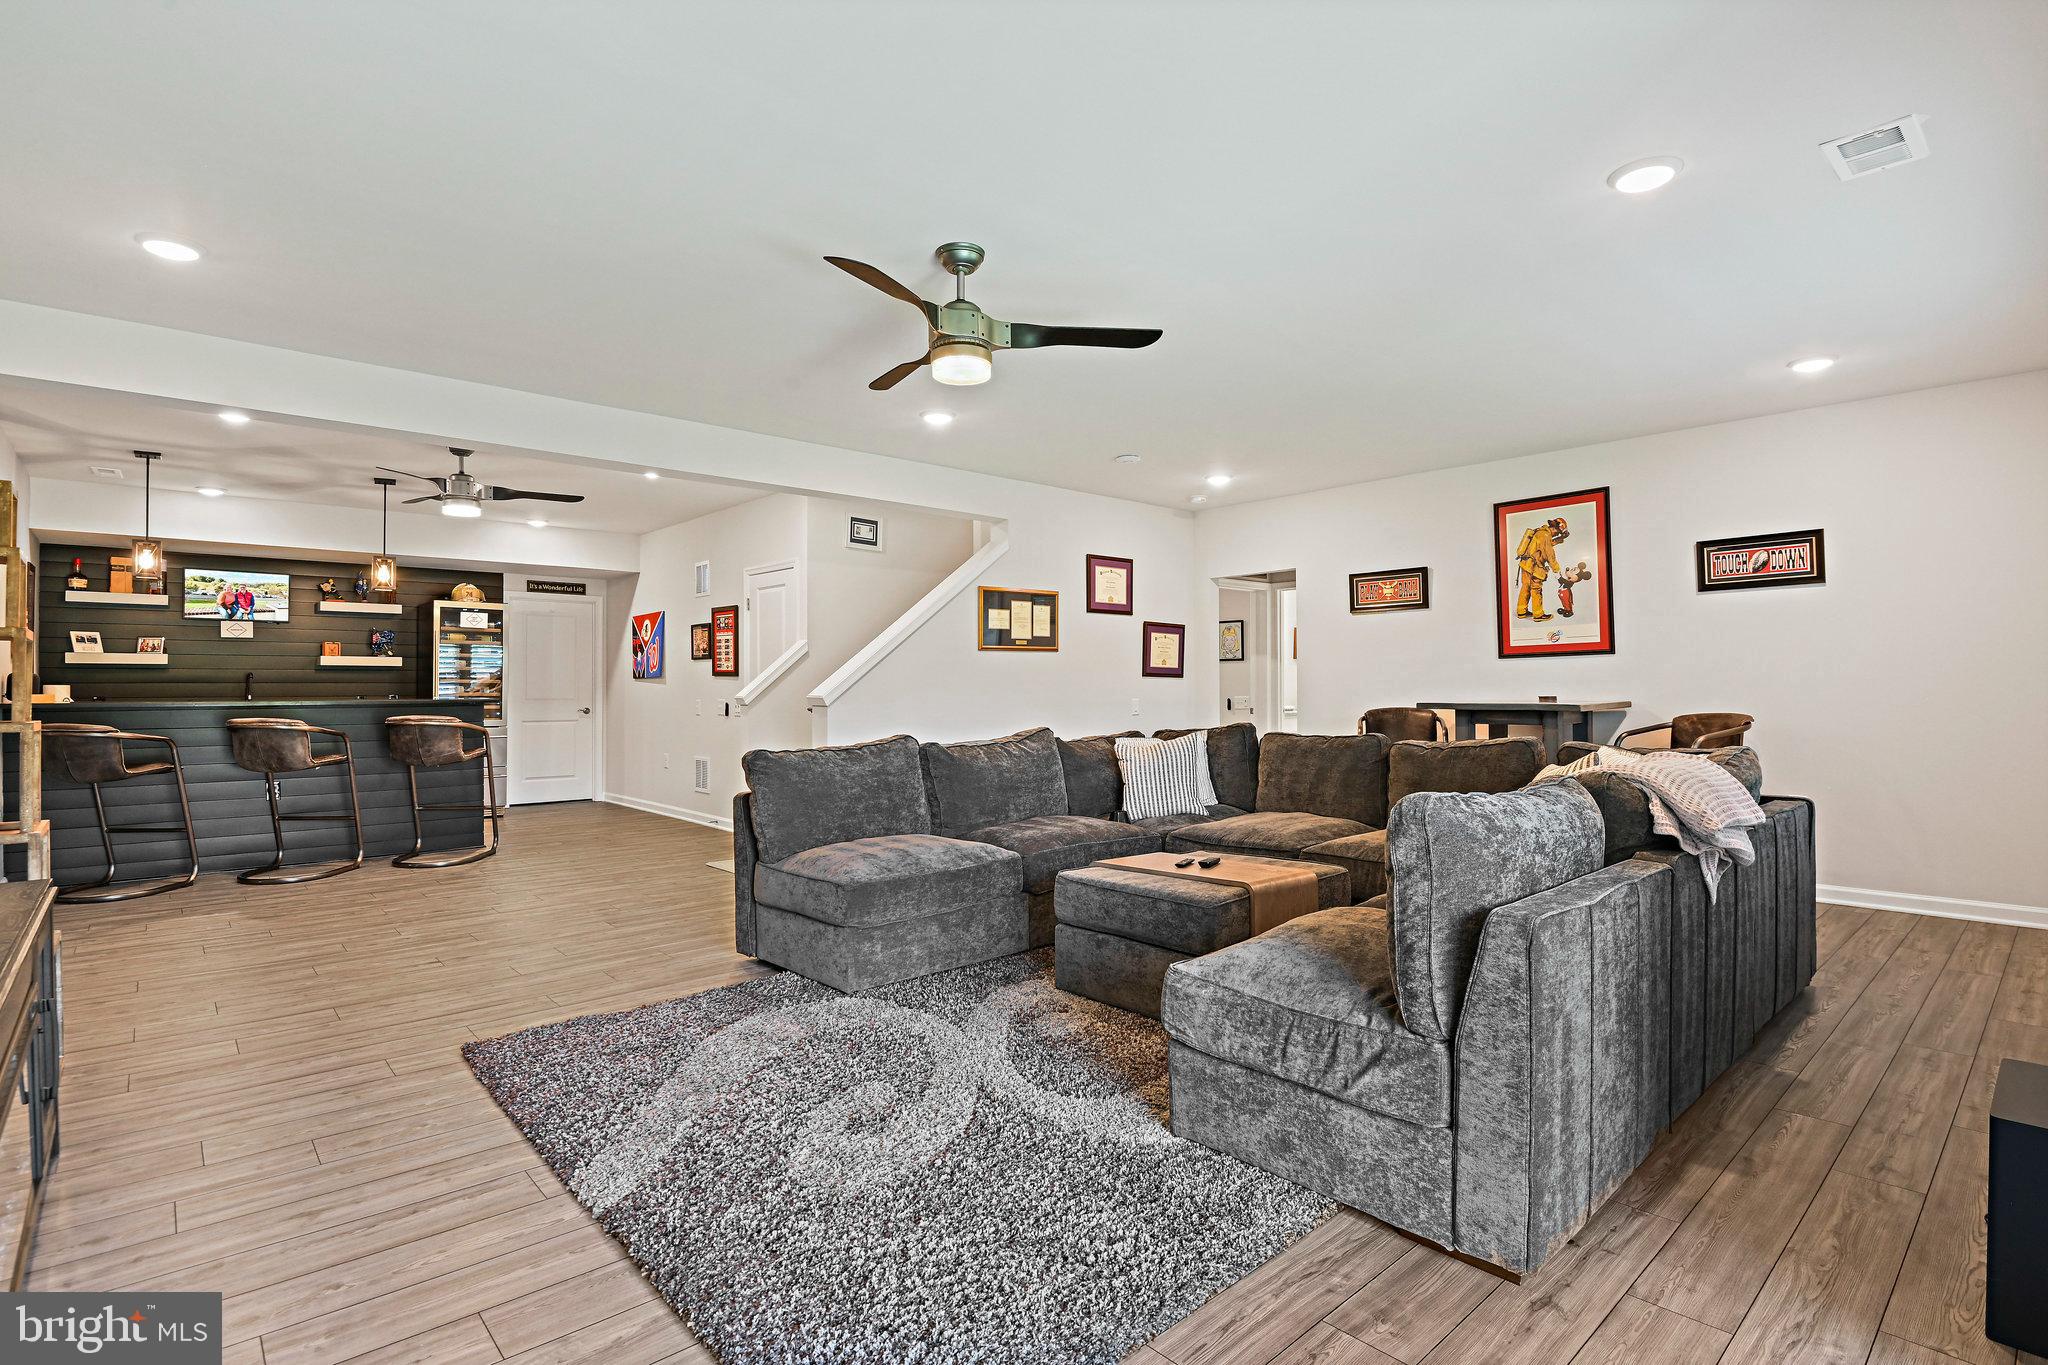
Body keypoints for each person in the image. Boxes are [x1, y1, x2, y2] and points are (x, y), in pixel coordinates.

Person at [1514, 516, 1569, 621]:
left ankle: (1521, 612)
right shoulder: (1545, 535)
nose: (1557, 534)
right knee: (1536, 589)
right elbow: (1549, 554)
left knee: (1525, 587)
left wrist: (1559, 540)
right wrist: (1556, 569)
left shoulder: (1540, 532)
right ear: (1555, 528)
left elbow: (1545, 544)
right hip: (1534, 567)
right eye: (1557, 533)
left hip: (1525, 564)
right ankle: (1538, 615)